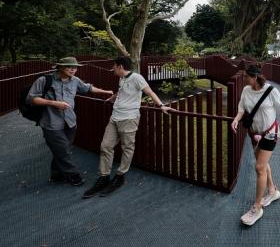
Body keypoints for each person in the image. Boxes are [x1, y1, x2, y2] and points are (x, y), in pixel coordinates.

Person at [83, 56, 172, 198]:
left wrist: (161, 106)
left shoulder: (137, 78)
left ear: (120, 66)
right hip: (115, 117)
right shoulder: (122, 79)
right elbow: (122, 91)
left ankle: (120, 175)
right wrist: (112, 98)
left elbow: (150, 92)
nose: (112, 69)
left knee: (127, 147)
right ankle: (104, 176)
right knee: (105, 146)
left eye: (114, 66)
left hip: (129, 118)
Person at [27, 57, 114, 185]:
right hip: (51, 122)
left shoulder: (75, 81)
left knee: (62, 149)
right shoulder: (44, 80)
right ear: (61, 67)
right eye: (69, 67)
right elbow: (32, 99)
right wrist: (54, 103)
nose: (73, 69)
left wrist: (106, 92)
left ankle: (56, 175)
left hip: (70, 122)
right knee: (63, 150)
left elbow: (87, 88)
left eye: (75, 67)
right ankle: (73, 175)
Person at [231, 64, 280, 226]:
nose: (245, 79)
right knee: (263, 164)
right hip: (254, 133)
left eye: (247, 76)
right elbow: (241, 109)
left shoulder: (271, 90)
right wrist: (236, 120)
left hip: (270, 133)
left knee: (259, 167)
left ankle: (257, 207)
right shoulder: (246, 90)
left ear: (255, 77)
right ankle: (272, 191)